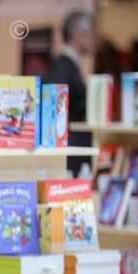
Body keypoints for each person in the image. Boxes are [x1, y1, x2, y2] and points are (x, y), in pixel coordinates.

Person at [45, 10, 95, 177]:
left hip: (71, 147)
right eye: (90, 34)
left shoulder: (69, 65)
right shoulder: (64, 67)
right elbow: (52, 103)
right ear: (77, 35)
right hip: (68, 151)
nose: (93, 39)